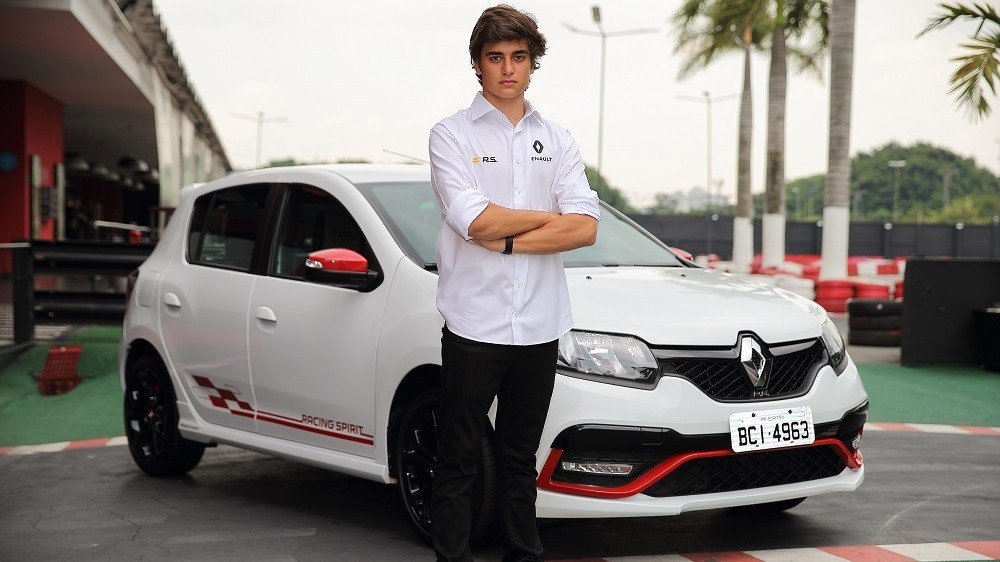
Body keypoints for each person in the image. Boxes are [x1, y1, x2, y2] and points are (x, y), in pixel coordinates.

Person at [427, 5, 601, 561]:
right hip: (474, 324)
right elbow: (474, 220)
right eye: (495, 57)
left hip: (539, 325)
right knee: (458, 458)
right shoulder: (451, 135)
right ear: (477, 63)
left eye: (519, 57)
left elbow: (586, 227)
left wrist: (507, 239)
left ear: (532, 63)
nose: (507, 68)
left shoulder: (558, 138)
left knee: (520, 459)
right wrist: (549, 219)